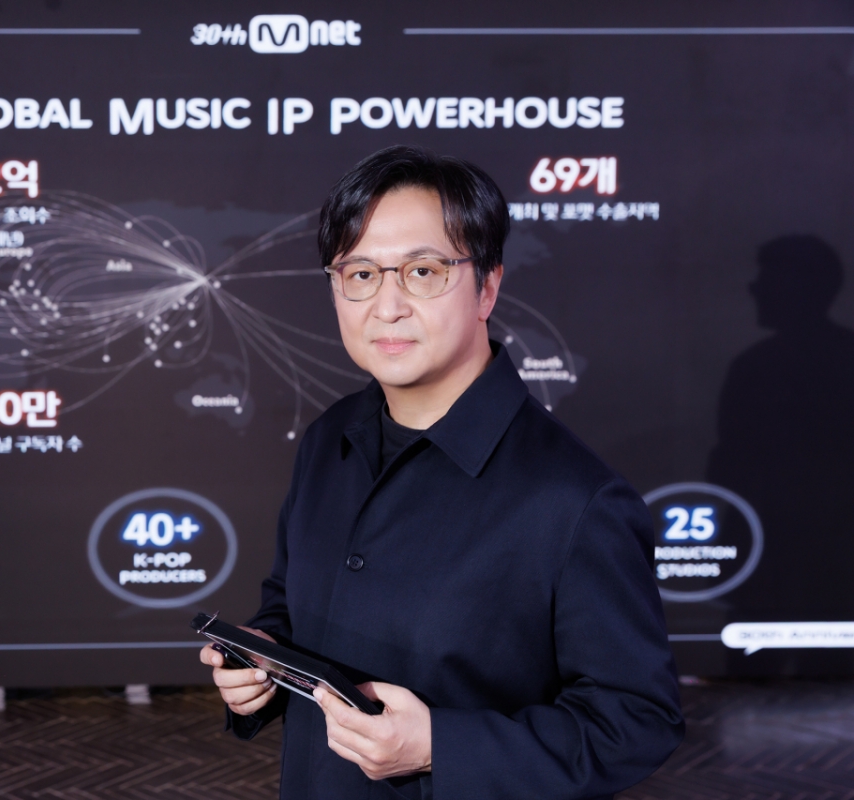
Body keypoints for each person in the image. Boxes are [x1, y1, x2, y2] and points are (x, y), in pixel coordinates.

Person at [199, 145, 684, 799]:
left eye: (422, 272)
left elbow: (637, 721)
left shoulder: (574, 499)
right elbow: (288, 603)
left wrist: (440, 747)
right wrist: (262, 660)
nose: (387, 306)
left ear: (487, 286)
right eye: (360, 273)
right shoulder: (327, 439)